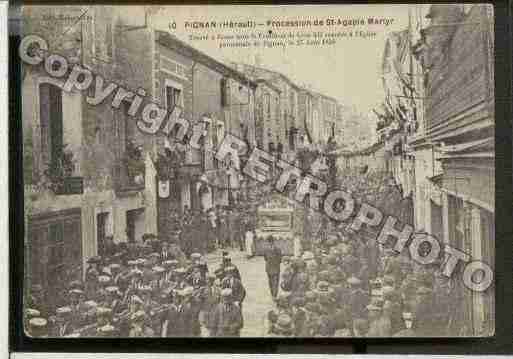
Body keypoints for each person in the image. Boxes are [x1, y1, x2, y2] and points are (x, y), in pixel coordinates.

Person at [263, 236, 282, 300]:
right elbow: (280, 259)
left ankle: (273, 295)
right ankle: (274, 295)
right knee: (275, 282)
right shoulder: (278, 249)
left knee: (271, 282)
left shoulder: (266, 249)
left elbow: (265, 258)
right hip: (275, 267)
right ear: (273, 241)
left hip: (269, 268)